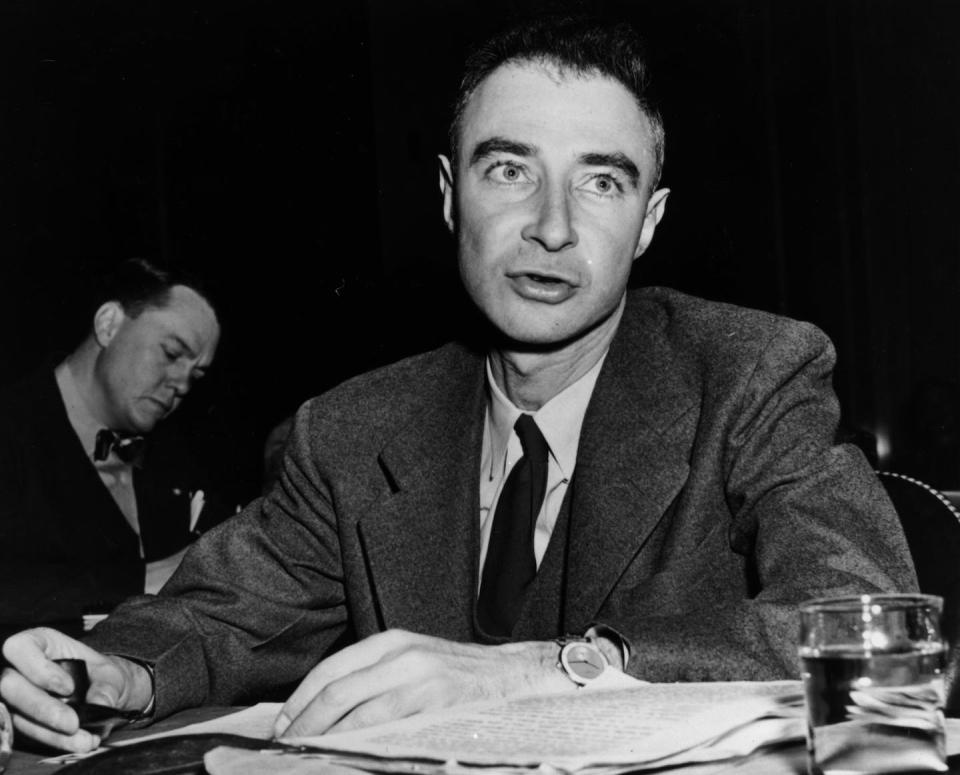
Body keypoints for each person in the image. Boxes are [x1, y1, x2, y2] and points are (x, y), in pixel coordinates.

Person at [1, 16, 917, 753]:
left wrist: (545, 669)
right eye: (510, 169)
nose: (552, 227)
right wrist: (119, 675)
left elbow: (877, 645)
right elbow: (217, 616)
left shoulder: (754, 373)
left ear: (648, 222)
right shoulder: (354, 428)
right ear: (449, 195)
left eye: (601, 182)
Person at [0, 258, 227, 642]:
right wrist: (145, 581)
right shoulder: (11, 431)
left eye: (196, 374)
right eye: (172, 353)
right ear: (108, 324)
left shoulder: (177, 460)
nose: (182, 384)